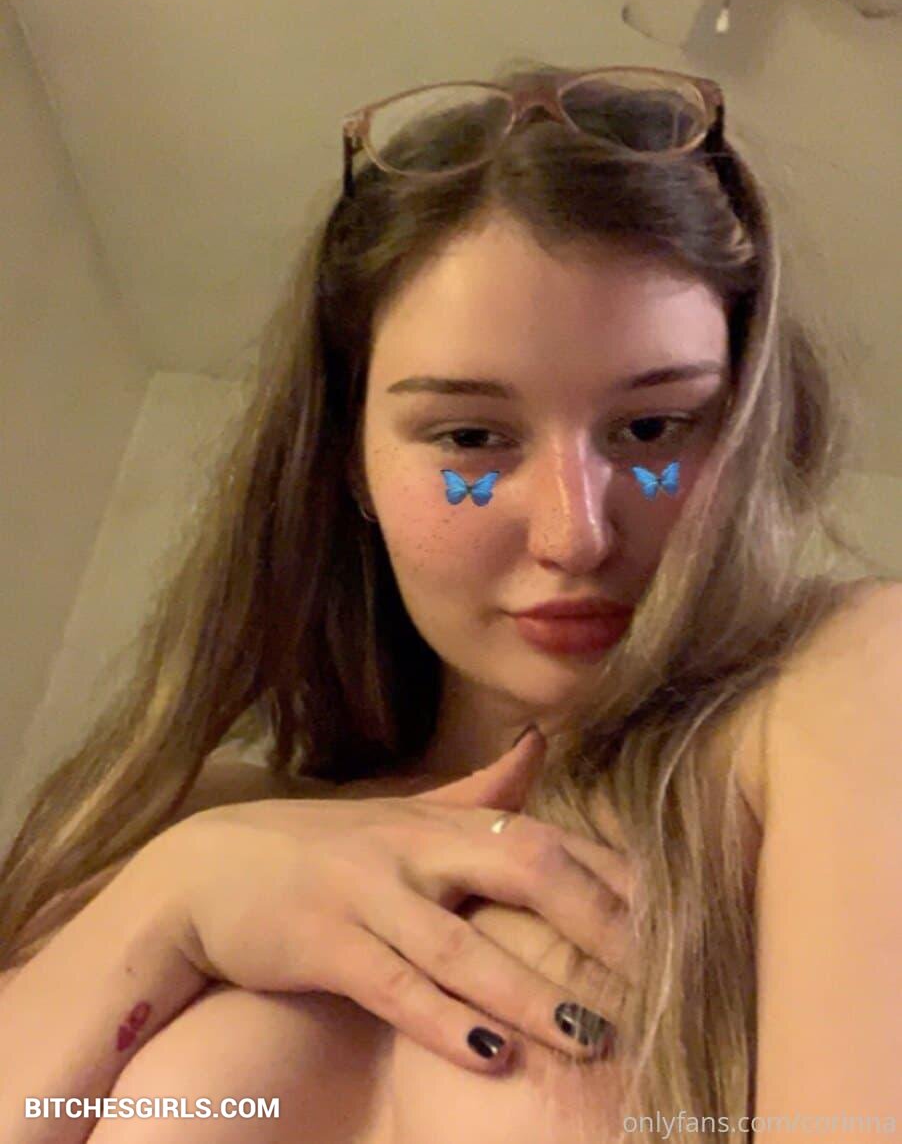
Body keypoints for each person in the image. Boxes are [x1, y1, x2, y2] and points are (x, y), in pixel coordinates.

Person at [0, 59, 898, 1144]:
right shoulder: (179, 822)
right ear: (349, 461)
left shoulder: (836, 695)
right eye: (471, 437)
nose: (575, 533)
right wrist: (168, 902)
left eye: (653, 429)